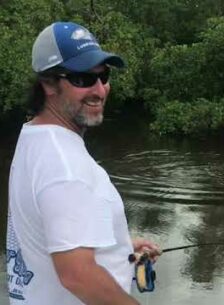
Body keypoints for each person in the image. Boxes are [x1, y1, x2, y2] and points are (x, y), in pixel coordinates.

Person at [6, 21, 160, 305]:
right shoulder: (65, 167)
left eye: (104, 76)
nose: (100, 90)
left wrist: (117, 247)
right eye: (83, 79)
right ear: (48, 83)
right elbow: (77, 275)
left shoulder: (34, 137)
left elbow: (52, 234)